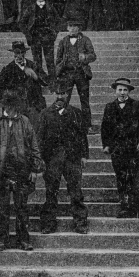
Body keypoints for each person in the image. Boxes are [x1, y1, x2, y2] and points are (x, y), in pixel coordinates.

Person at [0, 88, 44, 252]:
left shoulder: (25, 122)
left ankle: (24, 240)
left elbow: (34, 147)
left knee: (22, 208)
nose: (9, 108)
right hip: (1, 171)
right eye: (7, 105)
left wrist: (35, 169)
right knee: (2, 208)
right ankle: (1, 240)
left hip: (21, 170)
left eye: (12, 105)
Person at [36, 79, 89, 234]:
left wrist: (84, 155)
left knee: (76, 192)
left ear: (68, 94)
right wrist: (40, 158)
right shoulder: (45, 114)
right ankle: (48, 224)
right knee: (51, 192)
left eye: (63, 93)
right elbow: (40, 137)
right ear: (54, 94)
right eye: (58, 93)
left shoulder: (76, 113)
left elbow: (82, 136)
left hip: (72, 158)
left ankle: (80, 223)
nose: (60, 96)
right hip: (52, 159)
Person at [101, 78, 139, 219]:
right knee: (121, 178)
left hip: (133, 148)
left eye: (125, 90)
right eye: (120, 90)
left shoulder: (138, 105)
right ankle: (125, 208)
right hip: (117, 149)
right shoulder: (109, 107)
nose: (122, 93)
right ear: (115, 91)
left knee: (134, 178)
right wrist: (106, 145)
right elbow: (105, 128)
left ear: (128, 91)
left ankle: (138, 208)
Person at [0, 40, 48, 129]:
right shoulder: (7, 69)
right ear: (13, 54)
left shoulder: (33, 66)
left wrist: (35, 75)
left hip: (33, 106)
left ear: (25, 53)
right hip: (16, 108)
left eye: (21, 53)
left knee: (35, 132)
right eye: (16, 53)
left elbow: (47, 81)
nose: (19, 55)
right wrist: (12, 94)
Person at [55, 19, 97, 132]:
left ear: (79, 28)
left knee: (84, 101)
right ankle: (61, 125)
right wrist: (60, 69)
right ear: (67, 28)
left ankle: (87, 126)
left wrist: (85, 57)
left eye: (75, 26)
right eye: (70, 26)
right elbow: (58, 59)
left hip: (81, 74)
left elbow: (93, 55)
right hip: (67, 74)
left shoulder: (85, 40)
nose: (72, 28)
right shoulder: (63, 41)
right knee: (64, 100)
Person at [21, 0, 60, 82]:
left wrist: (54, 32)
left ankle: (53, 81)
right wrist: (27, 34)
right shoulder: (30, 8)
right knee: (37, 60)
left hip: (47, 36)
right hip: (35, 36)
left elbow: (58, 21)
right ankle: (40, 79)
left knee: (50, 60)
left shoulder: (50, 7)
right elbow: (22, 22)